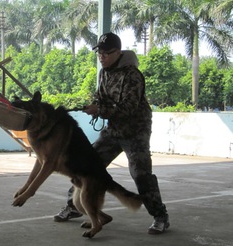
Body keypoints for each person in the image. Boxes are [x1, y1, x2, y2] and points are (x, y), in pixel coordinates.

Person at [53, 32, 170, 235]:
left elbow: (129, 108)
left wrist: (101, 110)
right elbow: (101, 98)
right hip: (113, 130)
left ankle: (160, 216)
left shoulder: (132, 74)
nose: (102, 57)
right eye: (100, 53)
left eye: (107, 53)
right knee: (85, 166)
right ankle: (74, 207)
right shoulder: (104, 72)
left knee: (141, 175)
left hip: (136, 132)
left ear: (118, 52)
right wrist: (95, 105)